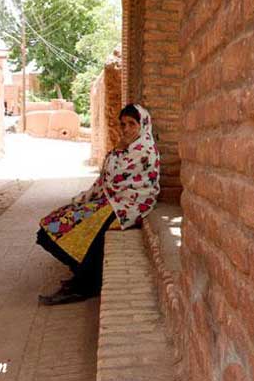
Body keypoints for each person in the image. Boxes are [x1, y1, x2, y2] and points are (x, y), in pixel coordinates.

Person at [36, 103, 161, 305]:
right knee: (51, 228)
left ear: (143, 125)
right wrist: (83, 198)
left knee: (90, 231)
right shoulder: (125, 149)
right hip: (112, 201)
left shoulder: (144, 150)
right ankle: (84, 278)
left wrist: (115, 153)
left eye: (132, 124)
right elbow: (105, 179)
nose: (127, 129)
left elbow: (116, 179)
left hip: (131, 206)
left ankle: (83, 285)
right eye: (123, 124)